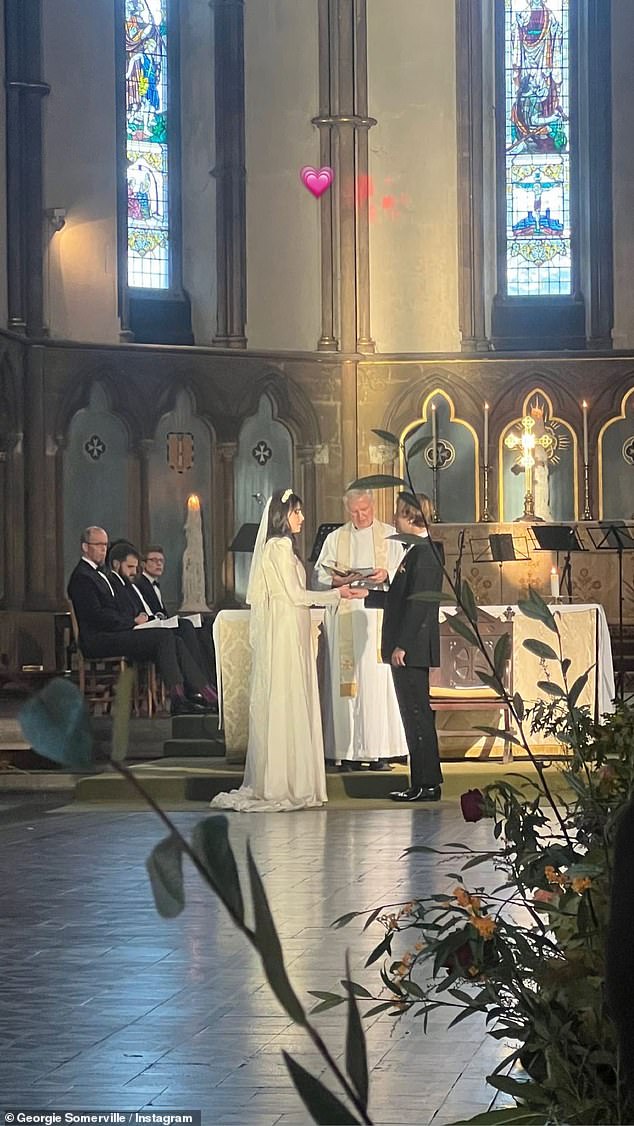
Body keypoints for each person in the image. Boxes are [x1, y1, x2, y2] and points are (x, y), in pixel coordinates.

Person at [211, 488, 367, 812]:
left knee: (291, 699)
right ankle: (285, 782)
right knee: (287, 699)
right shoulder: (279, 547)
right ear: (284, 516)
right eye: (298, 512)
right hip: (284, 633)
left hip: (291, 629)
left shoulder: (279, 548)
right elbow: (296, 595)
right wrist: (338, 594)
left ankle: (293, 779)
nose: (303, 518)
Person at [67, 527, 217, 717]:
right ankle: (179, 697)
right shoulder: (82, 577)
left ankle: (205, 694)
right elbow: (96, 615)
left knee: (174, 639)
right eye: (98, 545)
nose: (103, 549)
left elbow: (114, 609)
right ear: (85, 547)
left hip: (115, 632)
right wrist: (131, 622)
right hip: (98, 639)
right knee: (163, 636)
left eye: (105, 545)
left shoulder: (101, 574)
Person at [313, 488, 408, 771]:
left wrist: (386, 574)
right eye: (354, 511)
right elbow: (319, 574)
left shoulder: (390, 535)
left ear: (373, 506)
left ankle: (379, 752)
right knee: (347, 689)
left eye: (364, 509)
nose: (360, 515)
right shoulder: (335, 538)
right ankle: (346, 752)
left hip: (377, 618)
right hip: (346, 617)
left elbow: (403, 575)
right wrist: (338, 579)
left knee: (377, 685)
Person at [381, 492, 444, 803]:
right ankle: (420, 781)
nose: (395, 519)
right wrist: (364, 595)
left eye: (398, 514)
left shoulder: (426, 552)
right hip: (408, 645)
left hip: (412, 647)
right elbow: (401, 598)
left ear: (411, 516)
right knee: (412, 714)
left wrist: (402, 644)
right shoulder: (415, 550)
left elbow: (419, 605)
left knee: (418, 714)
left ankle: (428, 783)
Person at [107, 540, 217, 711]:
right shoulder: (119, 584)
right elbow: (118, 614)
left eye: (161, 561)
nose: (134, 572)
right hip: (132, 635)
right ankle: (191, 692)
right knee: (180, 630)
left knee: (200, 627)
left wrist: (149, 617)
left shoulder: (127, 583)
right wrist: (139, 619)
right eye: (130, 567)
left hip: (147, 627)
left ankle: (206, 688)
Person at [134, 544, 216, 683]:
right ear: (143, 564)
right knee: (186, 628)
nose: (159, 564)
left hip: (162, 624)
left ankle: (211, 679)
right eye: (154, 560)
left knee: (205, 626)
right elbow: (150, 613)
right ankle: (200, 682)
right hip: (152, 628)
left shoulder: (154, 584)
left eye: (161, 561)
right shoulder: (140, 583)